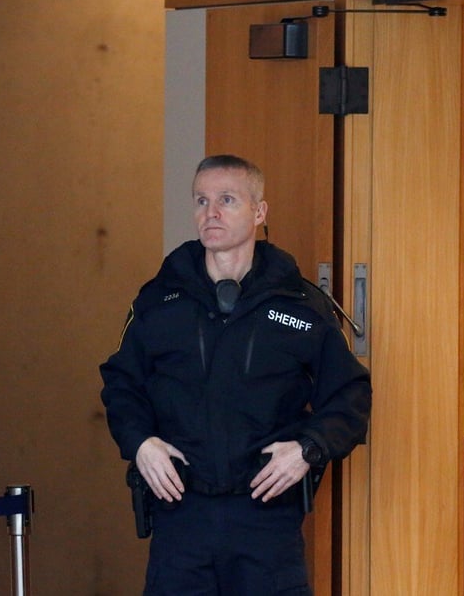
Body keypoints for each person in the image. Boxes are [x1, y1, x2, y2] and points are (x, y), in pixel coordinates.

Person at [100, 155, 371, 595]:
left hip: (265, 519)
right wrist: (140, 444)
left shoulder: (299, 305)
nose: (212, 213)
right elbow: (121, 384)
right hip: (181, 513)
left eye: (227, 200)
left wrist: (308, 449)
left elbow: (350, 395)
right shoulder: (159, 301)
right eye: (202, 200)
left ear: (259, 212)